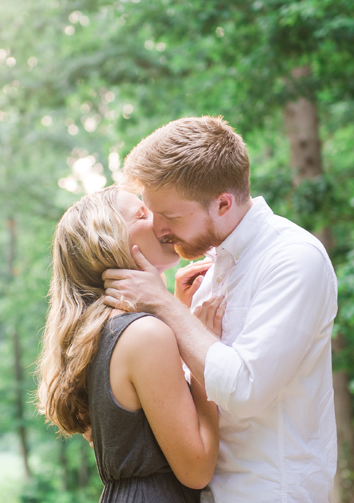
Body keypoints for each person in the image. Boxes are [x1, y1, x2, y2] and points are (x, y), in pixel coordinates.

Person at [102, 116, 338, 502]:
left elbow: (244, 389)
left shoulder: (293, 259)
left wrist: (163, 307)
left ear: (223, 203)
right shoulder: (209, 273)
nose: (160, 229)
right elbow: (191, 392)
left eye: (171, 217)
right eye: (151, 213)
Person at [36, 186, 222, 502]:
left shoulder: (100, 333)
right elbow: (197, 469)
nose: (160, 219)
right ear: (108, 244)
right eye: (142, 213)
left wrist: (174, 311)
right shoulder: (145, 335)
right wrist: (205, 350)